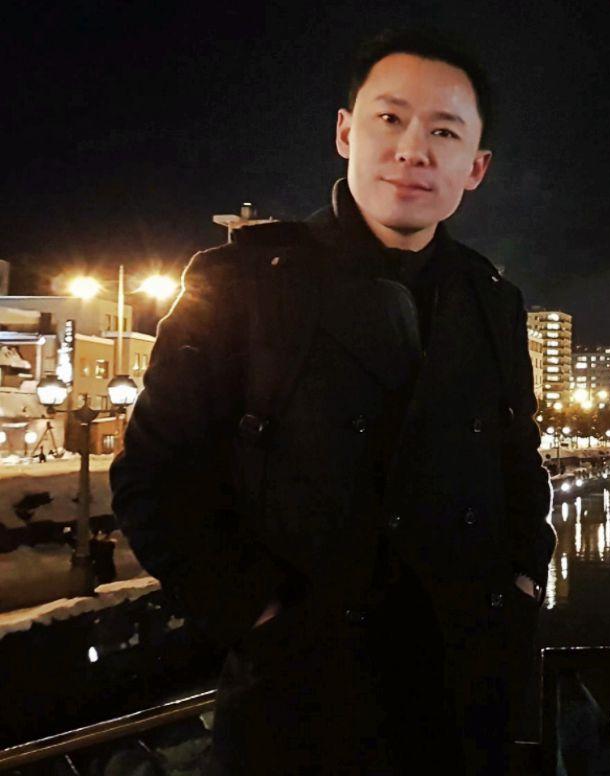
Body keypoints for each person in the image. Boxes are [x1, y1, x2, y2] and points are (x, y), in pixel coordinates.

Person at [110, 28, 555, 774]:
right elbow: (153, 475)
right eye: (390, 118)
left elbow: (518, 456)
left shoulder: (492, 299)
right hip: (302, 705)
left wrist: (522, 575)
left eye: (444, 132)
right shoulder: (243, 283)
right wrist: (258, 613)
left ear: (476, 167)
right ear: (346, 132)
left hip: (465, 697)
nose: (413, 150)